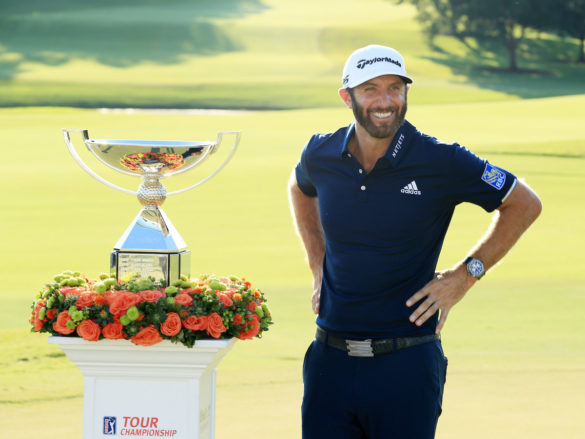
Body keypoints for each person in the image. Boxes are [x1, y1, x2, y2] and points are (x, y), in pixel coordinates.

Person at [288, 44, 542, 439]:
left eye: (395, 88)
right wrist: (315, 258)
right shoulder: (320, 152)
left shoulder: (443, 160)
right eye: (370, 89)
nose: (385, 101)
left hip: (405, 364)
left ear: (407, 93)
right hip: (328, 363)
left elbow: (523, 203)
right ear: (347, 96)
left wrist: (465, 275)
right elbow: (300, 186)